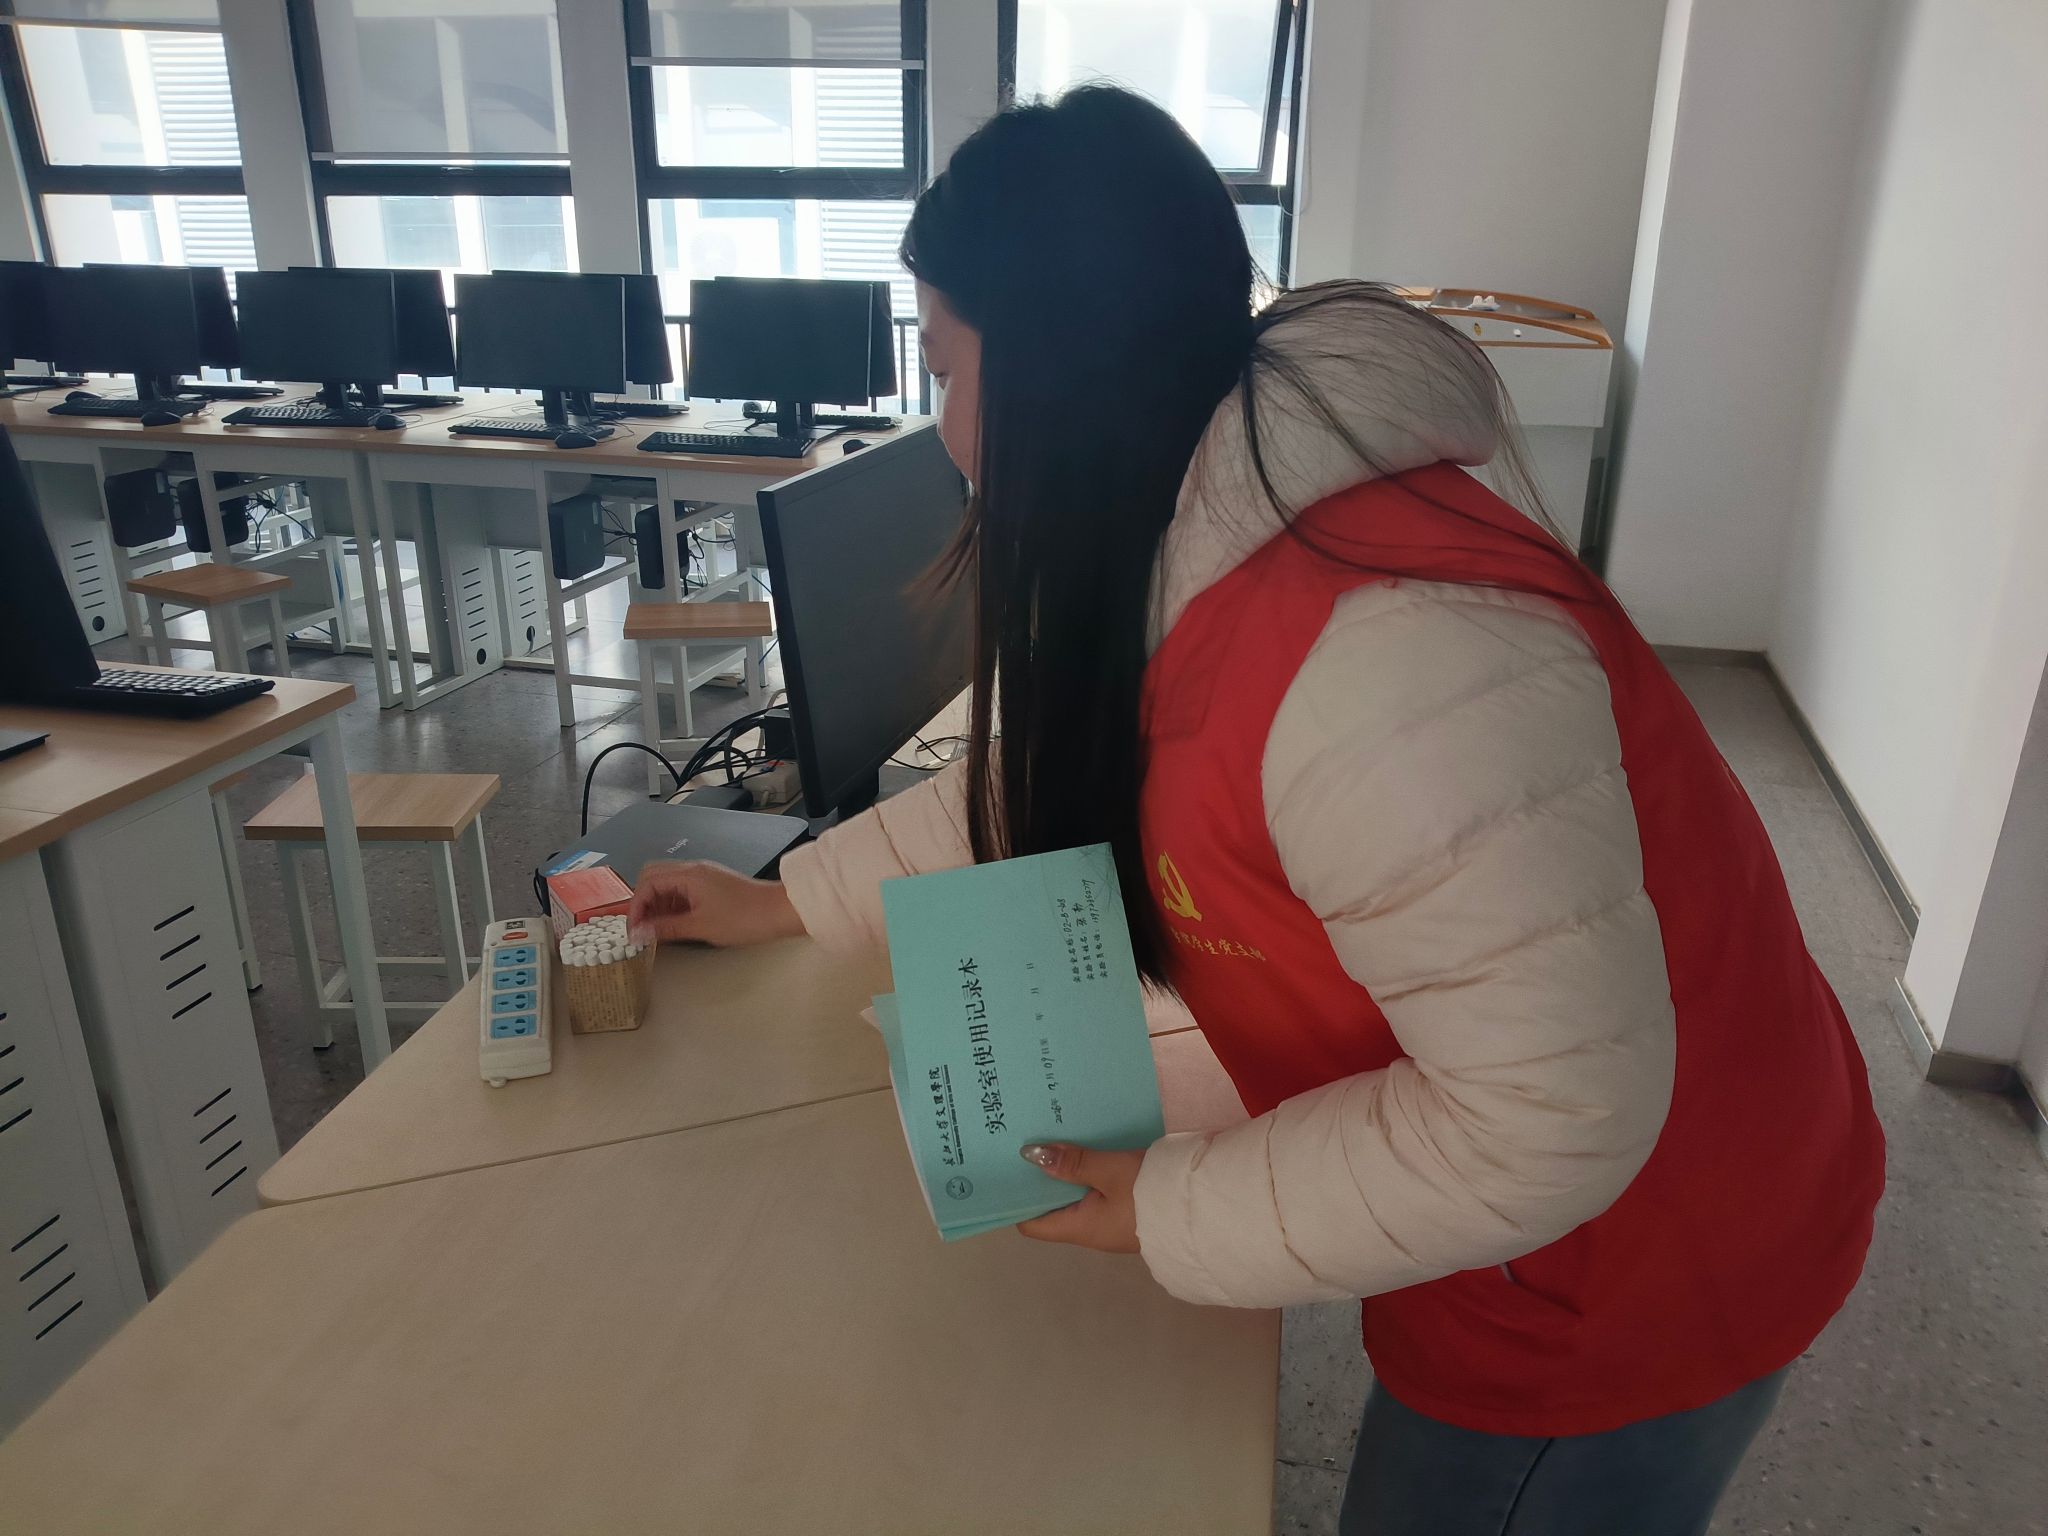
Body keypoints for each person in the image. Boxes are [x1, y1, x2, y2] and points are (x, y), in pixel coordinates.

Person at [630, 85, 1885, 1536]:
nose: (950, 435)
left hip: (1634, 1269)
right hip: (1553, 1191)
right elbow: (1068, 766)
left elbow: (1550, 1119)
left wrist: (1173, 1211)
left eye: (948, 369)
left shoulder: (1388, 659)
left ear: (1057, 372)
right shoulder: (1212, 510)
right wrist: (787, 899)